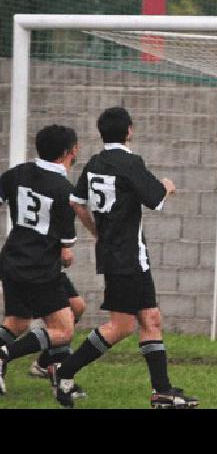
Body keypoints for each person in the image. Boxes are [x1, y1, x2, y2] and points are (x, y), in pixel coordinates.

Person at [50, 107, 198, 409]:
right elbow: (156, 198)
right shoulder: (130, 162)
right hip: (126, 256)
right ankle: (63, 373)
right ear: (129, 130)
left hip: (127, 256)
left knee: (151, 319)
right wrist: (168, 187)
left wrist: (97, 231)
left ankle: (162, 393)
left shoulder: (94, 163)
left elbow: (77, 203)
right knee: (121, 326)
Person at [0, 125, 83, 399]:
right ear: (68, 152)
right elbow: (66, 249)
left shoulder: (18, 173)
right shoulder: (64, 191)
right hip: (39, 268)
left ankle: (48, 366)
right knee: (63, 328)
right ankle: (7, 356)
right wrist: (65, 252)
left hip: (13, 260)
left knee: (20, 321)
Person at [28, 271, 86, 392]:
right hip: (37, 269)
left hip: (53, 267)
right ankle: (5, 355)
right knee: (18, 324)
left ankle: (43, 364)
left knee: (77, 306)